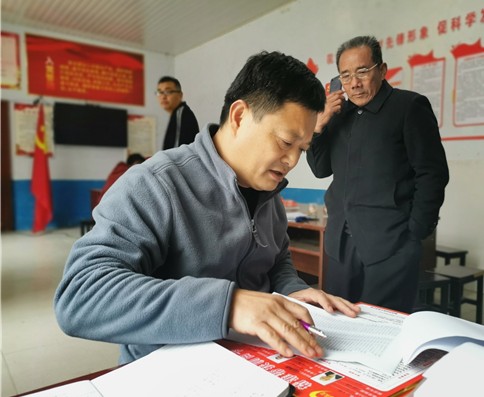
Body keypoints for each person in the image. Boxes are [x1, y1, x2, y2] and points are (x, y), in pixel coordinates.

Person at [54, 51, 360, 365]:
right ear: (239, 117)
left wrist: (291, 290)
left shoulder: (269, 192)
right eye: (285, 142)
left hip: (254, 362)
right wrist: (229, 306)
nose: (293, 160)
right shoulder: (156, 184)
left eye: (302, 149)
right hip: (168, 369)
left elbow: (276, 260)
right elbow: (81, 295)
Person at [307, 36, 449, 313]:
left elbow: (432, 173)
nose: (354, 83)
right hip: (340, 244)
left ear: (382, 70)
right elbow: (320, 170)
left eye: (362, 72)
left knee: (383, 326)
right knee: (339, 322)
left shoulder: (409, 107)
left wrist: (415, 233)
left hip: (391, 245)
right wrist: (318, 128)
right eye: (346, 75)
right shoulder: (338, 114)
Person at [156, 76, 200, 150]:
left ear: (180, 95)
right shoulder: (176, 114)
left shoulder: (181, 113)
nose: (163, 96)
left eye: (168, 91)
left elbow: (177, 152)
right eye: (160, 92)